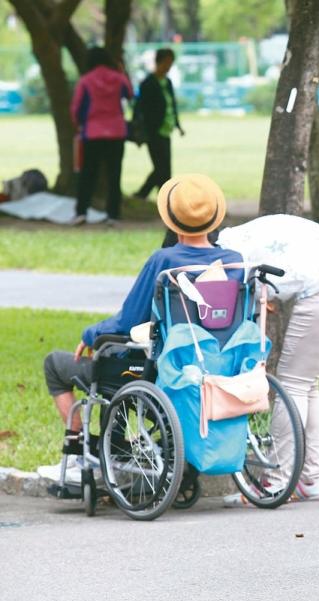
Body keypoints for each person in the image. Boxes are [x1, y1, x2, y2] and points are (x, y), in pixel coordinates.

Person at [38, 174, 243, 483]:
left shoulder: (165, 260)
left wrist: (90, 334)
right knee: (121, 365)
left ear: (172, 221)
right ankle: (116, 448)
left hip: (165, 368)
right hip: (219, 365)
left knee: (60, 363)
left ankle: (80, 454)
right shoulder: (234, 262)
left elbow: (126, 322)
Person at [217, 214, 319, 505]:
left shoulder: (231, 258)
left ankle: (276, 483)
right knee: (307, 383)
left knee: (293, 385)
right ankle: (313, 479)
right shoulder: (240, 237)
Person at [70, 47, 133, 226]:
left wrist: (79, 125)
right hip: (116, 132)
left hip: (92, 133)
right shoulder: (118, 78)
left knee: (88, 174)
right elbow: (130, 94)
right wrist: (122, 71)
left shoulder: (85, 81)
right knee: (115, 174)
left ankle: (81, 212)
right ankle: (113, 214)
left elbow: (75, 109)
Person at [134, 48, 184, 200]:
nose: (168, 66)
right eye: (166, 63)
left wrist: (178, 125)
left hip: (166, 130)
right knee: (161, 168)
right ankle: (159, 197)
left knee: (164, 168)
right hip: (153, 131)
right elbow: (141, 108)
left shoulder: (167, 82)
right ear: (159, 62)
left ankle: (151, 195)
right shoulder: (148, 83)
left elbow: (171, 105)